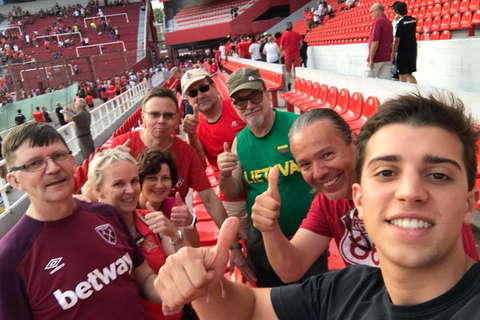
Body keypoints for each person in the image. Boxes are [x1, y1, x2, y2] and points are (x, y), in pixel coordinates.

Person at [155, 92, 480, 319]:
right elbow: (261, 297)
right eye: (386, 173)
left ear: (469, 203)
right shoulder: (349, 289)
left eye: (437, 175)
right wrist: (205, 287)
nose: (409, 192)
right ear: (360, 200)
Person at [252, 107, 477, 283]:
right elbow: (291, 269)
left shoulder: (396, 189)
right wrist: (269, 228)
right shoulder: (327, 203)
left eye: (327, 154)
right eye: (306, 164)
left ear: (353, 141)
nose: (319, 172)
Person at [73, 86, 251, 277]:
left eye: (168, 115)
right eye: (154, 114)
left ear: (176, 119)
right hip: (122, 238)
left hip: (169, 234)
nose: (161, 121)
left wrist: (234, 246)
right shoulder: (120, 146)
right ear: (143, 116)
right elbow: (92, 196)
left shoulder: (186, 153)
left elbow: (210, 200)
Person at [0, 122, 162, 319]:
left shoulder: (107, 214)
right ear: (15, 181)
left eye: (59, 156)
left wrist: (172, 287)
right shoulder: (9, 260)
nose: (52, 168)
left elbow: (144, 278)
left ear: (72, 160)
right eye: (34, 163)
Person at [219, 68, 328, 287]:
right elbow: (233, 191)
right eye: (241, 101)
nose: (249, 105)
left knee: (315, 300)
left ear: (267, 94)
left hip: (307, 237)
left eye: (255, 96)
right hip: (262, 242)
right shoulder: (239, 142)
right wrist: (224, 175)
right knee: (273, 302)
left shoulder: (297, 127)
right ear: (234, 107)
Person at [88, 148, 194, 320]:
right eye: (119, 184)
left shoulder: (150, 219)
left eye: (134, 181)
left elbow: (188, 264)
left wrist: (175, 234)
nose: (130, 190)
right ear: (98, 190)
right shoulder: (90, 236)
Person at [181, 68, 250, 241]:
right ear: (189, 100)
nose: (200, 95)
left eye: (203, 88)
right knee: (250, 248)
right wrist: (191, 134)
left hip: (260, 183)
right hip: (233, 197)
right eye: (193, 93)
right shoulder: (195, 126)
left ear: (214, 87)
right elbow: (200, 166)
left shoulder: (237, 107)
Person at [391, 1, 418, 84]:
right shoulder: (413, 20)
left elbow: (396, 41)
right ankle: (417, 91)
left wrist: (392, 55)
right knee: (409, 74)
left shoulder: (400, 23)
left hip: (403, 52)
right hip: (413, 50)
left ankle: (403, 92)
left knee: (402, 75)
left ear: (397, 12)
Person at [366, 3, 393, 79]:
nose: (371, 14)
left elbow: (375, 41)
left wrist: (371, 59)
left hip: (377, 58)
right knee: (384, 83)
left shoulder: (378, 21)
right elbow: (391, 42)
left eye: (371, 11)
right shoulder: (389, 22)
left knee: (368, 81)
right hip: (386, 57)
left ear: (377, 10)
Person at [280, 22, 303, 89]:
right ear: (292, 27)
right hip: (296, 54)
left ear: (285, 27)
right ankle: (297, 83)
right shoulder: (296, 34)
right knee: (297, 69)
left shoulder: (284, 36)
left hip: (288, 55)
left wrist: (284, 48)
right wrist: (298, 48)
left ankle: (288, 82)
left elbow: (281, 47)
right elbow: (301, 43)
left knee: (288, 70)